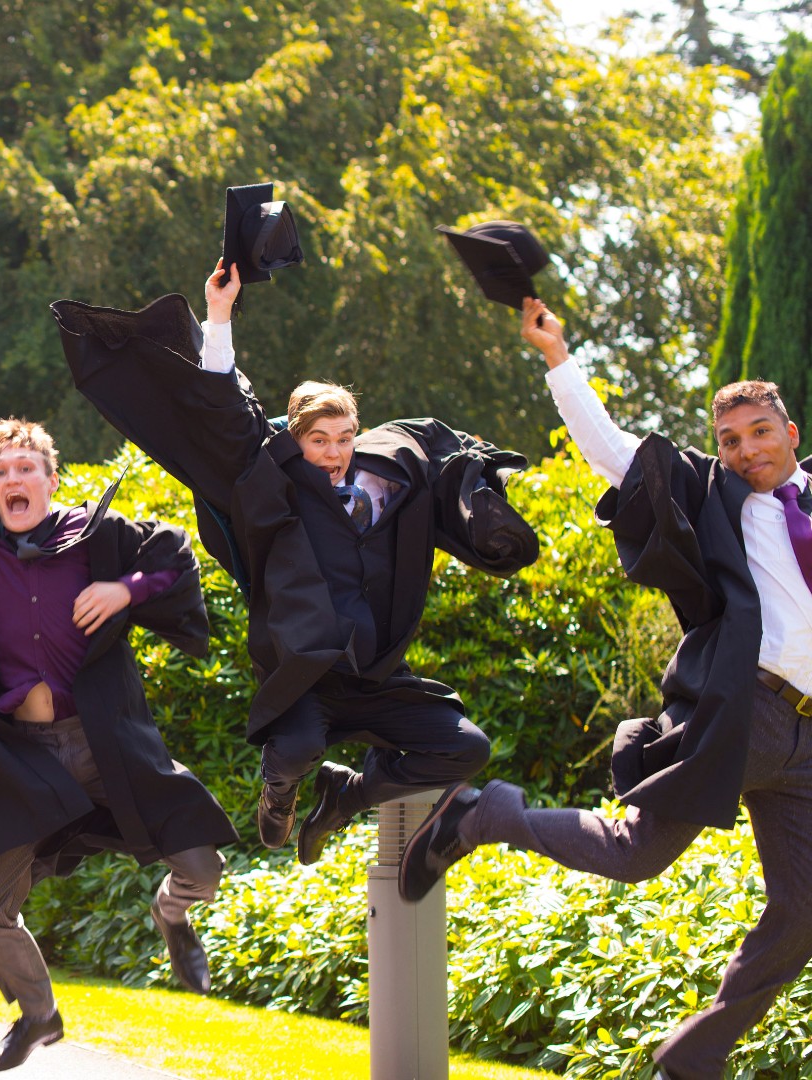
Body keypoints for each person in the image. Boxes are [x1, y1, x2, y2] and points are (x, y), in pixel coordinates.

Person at [401, 299, 812, 1080]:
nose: (747, 449)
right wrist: (560, 359)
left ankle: (693, 1059)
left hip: (809, 738)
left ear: (791, 432)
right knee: (636, 856)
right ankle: (488, 813)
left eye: (761, 432)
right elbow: (614, 453)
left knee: (805, 913)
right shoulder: (713, 497)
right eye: (731, 439)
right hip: (745, 713)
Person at [53, 262, 537, 864]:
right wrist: (220, 316)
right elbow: (224, 411)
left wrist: (487, 495)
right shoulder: (273, 483)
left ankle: (345, 796)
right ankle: (280, 796)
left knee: (465, 748)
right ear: (297, 441)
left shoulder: (394, 475)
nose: (333, 452)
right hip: (305, 673)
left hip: (377, 673)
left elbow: (451, 459)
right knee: (299, 744)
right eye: (319, 440)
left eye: (343, 437)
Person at [0, 317, 237, 1073]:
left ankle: (172, 916)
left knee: (203, 869)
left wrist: (125, 588)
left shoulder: (98, 536)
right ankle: (38, 1016)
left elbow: (177, 563)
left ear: (50, 478)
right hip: (18, 758)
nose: (12, 480)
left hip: (105, 743)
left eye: (25, 469)